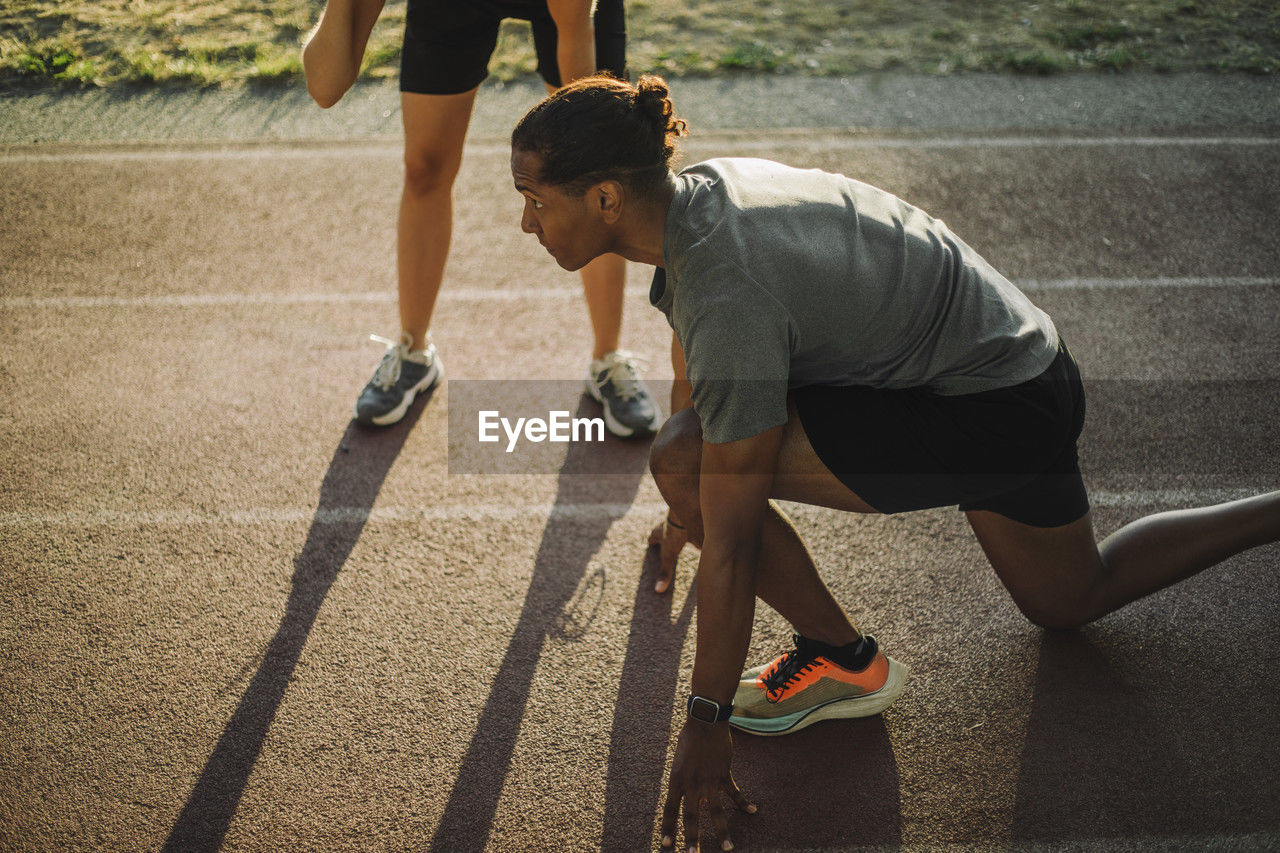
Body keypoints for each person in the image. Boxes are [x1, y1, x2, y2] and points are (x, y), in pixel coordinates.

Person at [509, 73, 1280, 850]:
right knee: (1070, 597)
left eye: (535, 200)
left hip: (985, 409)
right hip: (1026, 367)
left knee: (685, 459)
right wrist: (691, 506)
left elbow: (734, 530)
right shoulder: (699, 198)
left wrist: (706, 717)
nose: (523, 222)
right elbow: (701, 368)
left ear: (607, 198)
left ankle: (842, 660)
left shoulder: (724, 281)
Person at [301, 0, 661, 435]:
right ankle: (413, 353)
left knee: (594, 172)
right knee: (424, 167)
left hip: (566, 13)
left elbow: (578, 78)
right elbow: (325, 86)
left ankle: (608, 358)